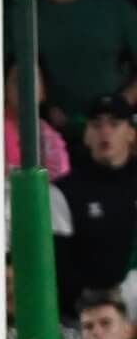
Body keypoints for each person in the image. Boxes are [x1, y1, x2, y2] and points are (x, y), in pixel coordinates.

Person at [36, 0, 137, 136]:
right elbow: (7, 70)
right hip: (45, 134)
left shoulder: (115, 8)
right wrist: (43, 108)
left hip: (110, 135)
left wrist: (119, 104)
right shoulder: (25, 13)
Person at [54, 95, 137, 321]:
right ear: (87, 135)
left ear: (131, 133)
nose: (105, 132)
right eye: (97, 125)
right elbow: (61, 271)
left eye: (114, 124)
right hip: (84, 318)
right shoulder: (64, 191)